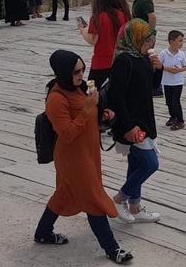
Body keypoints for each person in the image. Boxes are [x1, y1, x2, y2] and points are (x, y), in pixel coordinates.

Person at [33, 50, 133, 264]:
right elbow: (67, 134)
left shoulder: (78, 88)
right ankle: (112, 248)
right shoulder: (56, 99)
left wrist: (102, 114)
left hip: (88, 153)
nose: (81, 74)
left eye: (82, 69)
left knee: (64, 194)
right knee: (93, 198)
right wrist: (88, 109)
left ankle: (42, 232)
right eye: (76, 71)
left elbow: (87, 117)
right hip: (72, 158)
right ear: (63, 72)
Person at [108, 19, 164, 224]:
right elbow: (117, 97)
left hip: (144, 120)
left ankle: (135, 206)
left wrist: (158, 69)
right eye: (148, 42)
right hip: (131, 123)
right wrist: (129, 126)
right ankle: (118, 198)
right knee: (150, 163)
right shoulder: (123, 61)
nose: (151, 46)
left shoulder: (140, 58)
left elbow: (151, 89)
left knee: (136, 163)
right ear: (136, 39)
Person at [80, 0, 131, 89]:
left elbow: (92, 40)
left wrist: (83, 30)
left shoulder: (97, 18)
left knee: (92, 90)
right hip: (121, 60)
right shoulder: (123, 14)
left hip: (101, 62)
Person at [159, 30, 186, 130]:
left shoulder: (181, 54)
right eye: (179, 41)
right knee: (169, 101)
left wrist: (179, 70)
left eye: (182, 41)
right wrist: (168, 69)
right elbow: (158, 66)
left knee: (176, 101)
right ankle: (173, 117)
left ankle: (180, 121)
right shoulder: (163, 53)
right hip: (166, 82)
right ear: (171, 42)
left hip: (177, 82)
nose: (181, 43)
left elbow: (185, 67)